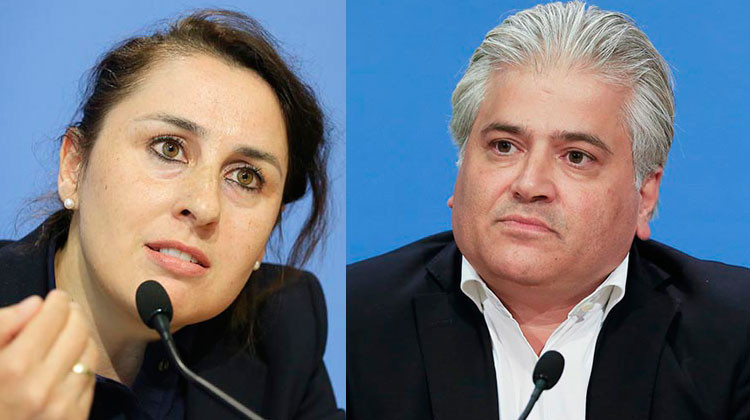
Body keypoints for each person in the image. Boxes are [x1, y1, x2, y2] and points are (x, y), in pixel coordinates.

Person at [347, 2, 750, 419]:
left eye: (576, 156)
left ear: (645, 195)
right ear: (461, 169)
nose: (529, 185)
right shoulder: (356, 318)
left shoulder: (736, 334)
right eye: (504, 146)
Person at [0, 9, 343, 419]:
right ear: (74, 167)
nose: (204, 206)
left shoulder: (282, 334)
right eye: (169, 148)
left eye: (246, 177)